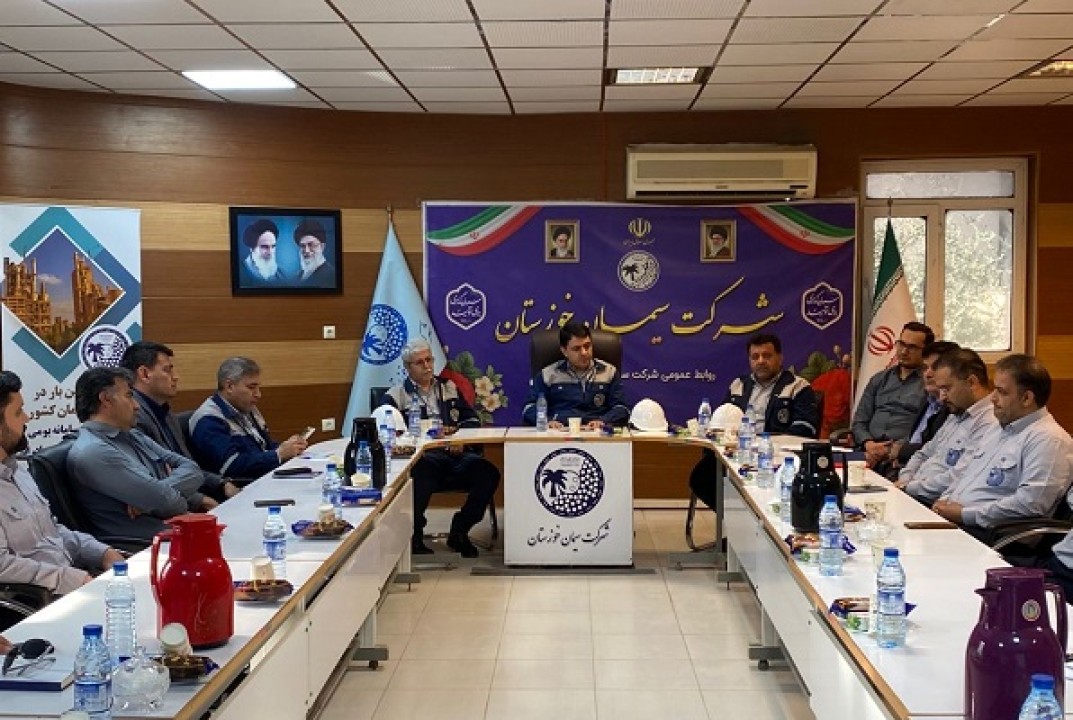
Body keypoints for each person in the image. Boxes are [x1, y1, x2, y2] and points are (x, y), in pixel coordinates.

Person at [0, 371, 125, 595]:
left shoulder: (18, 473)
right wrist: (73, 580)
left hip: (72, 581)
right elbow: (3, 566)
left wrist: (101, 552)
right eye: (18, 412)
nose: (27, 418)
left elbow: (52, 532)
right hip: (38, 602)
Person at [380, 339, 499, 558]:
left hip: (458, 455)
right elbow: (387, 434)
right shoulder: (395, 396)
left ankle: (460, 531)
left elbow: (472, 420)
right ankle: (413, 534)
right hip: (424, 458)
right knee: (420, 474)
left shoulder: (449, 387)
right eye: (420, 362)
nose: (427, 366)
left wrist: (460, 440)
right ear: (407, 367)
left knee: (488, 473)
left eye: (429, 360)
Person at [931, 354, 1073, 536]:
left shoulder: (1049, 440)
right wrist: (944, 501)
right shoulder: (997, 428)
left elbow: (1030, 504)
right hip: (956, 522)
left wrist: (965, 514)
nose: (992, 398)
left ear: (1027, 398)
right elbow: (965, 474)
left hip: (992, 535)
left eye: (1002, 392)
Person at [67, 367, 209, 544]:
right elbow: (172, 505)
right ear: (105, 399)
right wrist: (161, 496)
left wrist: (152, 497)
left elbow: (193, 470)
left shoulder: (132, 434)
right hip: (143, 545)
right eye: (129, 396)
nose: (137, 406)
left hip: (173, 532)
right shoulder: (94, 452)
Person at [689, 333, 819, 511]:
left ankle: (746, 520)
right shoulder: (739, 385)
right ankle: (736, 520)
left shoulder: (797, 386)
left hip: (774, 458)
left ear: (780, 358)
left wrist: (764, 443)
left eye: (767, 356)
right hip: (737, 453)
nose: (761, 361)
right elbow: (722, 420)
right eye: (755, 357)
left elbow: (805, 428)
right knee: (701, 478)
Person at [120, 341, 240, 502]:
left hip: (187, 492)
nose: (176, 377)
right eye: (167, 370)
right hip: (170, 502)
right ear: (145, 374)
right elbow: (159, 478)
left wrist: (220, 483)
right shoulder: (134, 417)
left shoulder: (166, 412)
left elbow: (187, 465)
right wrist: (199, 500)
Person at [895, 348, 997, 506]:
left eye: (947, 388)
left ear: (972, 382)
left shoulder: (989, 421)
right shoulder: (956, 414)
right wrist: (905, 479)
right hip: (914, 493)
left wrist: (909, 487)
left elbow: (959, 476)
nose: (942, 397)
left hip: (937, 502)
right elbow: (924, 453)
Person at [189, 357, 307, 482]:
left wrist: (289, 447)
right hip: (240, 487)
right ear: (229, 386)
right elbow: (231, 466)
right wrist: (278, 455)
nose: (258, 394)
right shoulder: (208, 419)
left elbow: (264, 447)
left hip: (264, 478)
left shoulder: (246, 408)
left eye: (258, 388)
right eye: (251, 387)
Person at [851, 321, 935, 470]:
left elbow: (925, 431)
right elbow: (859, 421)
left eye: (912, 347)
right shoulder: (879, 379)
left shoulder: (930, 384)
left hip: (901, 456)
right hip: (866, 449)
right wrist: (868, 443)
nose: (903, 351)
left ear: (926, 352)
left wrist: (892, 449)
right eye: (901, 344)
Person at [522, 321, 629, 430]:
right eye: (576, 349)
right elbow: (529, 408)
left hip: (596, 431)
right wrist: (547, 421)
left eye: (587, 346)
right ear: (564, 351)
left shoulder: (609, 372)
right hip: (559, 431)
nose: (584, 352)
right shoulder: (548, 374)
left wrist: (604, 421)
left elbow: (621, 408)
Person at [885, 340, 960, 476]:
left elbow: (938, 450)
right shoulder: (927, 400)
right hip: (904, 469)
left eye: (935, 368)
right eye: (925, 368)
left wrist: (902, 452)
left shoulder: (954, 409)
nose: (927, 374)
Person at [239, 218, 286, 286]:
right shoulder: (240, 274)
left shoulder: (281, 275)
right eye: (265, 247)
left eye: (273, 246)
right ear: (252, 248)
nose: (270, 252)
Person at [294, 218, 335, 287]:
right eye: (302, 246)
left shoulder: (331, 276)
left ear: (322, 246)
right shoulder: (296, 278)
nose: (307, 250)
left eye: (311, 244)